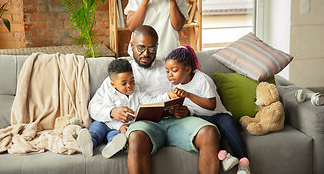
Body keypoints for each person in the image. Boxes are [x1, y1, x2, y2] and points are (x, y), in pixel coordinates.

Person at [118, 25, 219, 174]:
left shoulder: (169, 66)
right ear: (131, 45)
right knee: (136, 137)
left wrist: (187, 111)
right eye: (141, 48)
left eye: (152, 49)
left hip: (177, 121)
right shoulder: (123, 71)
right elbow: (95, 105)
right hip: (145, 125)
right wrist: (112, 111)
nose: (146, 53)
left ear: (157, 47)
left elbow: (190, 91)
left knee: (209, 132)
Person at [165, 45, 251, 174]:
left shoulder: (202, 79)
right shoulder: (174, 86)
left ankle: (243, 164)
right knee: (208, 134)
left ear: (188, 69)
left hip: (218, 115)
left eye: (174, 70)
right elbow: (191, 109)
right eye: (167, 71)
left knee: (229, 125)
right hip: (200, 118)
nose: (170, 75)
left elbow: (211, 105)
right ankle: (225, 157)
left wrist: (188, 94)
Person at [85, 57, 173, 158]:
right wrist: (119, 125)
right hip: (107, 123)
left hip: (122, 128)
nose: (129, 86)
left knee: (116, 136)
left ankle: (111, 148)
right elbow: (105, 115)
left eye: (132, 81)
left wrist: (168, 95)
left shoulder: (138, 92)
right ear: (113, 84)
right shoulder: (109, 94)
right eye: (123, 83)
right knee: (97, 128)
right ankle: (89, 143)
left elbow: (151, 102)